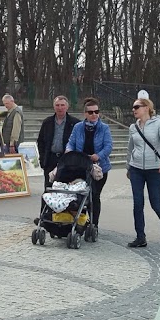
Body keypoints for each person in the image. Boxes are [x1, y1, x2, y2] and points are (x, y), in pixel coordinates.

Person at [127, 97, 160, 248]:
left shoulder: (159, 124)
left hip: (155, 169)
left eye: (136, 107)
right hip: (136, 169)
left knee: (155, 203)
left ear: (146, 107)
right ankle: (140, 237)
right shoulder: (133, 127)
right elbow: (130, 148)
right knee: (137, 203)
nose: (134, 110)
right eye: (133, 107)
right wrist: (128, 166)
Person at [65, 97, 112, 230]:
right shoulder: (78, 127)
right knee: (81, 194)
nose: (94, 115)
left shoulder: (104, 128)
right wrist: (69, 150)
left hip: (99, 167)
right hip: (81, 165)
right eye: (90, 112)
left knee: (94, 195)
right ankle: (81, 221)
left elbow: (108, 146)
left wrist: (99, 155)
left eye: (96, 112)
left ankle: (94, 224)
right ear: (85, 114)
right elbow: (71, 142)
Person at [36, 96, 80, 192]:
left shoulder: (75, 123)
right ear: (54, 107)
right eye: (57, 105)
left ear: (67, 107)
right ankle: (46, 207)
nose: (60, 108)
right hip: (50, 160)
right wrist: (43, 159)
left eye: (62, 105)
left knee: (64, 190)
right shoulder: (47, 122)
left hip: (66, 160)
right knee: (48, 190)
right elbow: (40, 142)